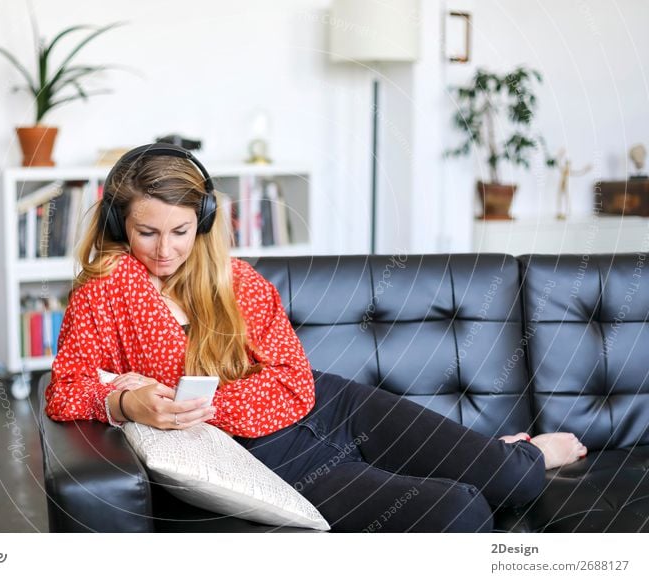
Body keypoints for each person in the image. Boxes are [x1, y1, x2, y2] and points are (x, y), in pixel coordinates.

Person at [44, 143, 587, 532]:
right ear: (119, 225)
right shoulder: (106, 291)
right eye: (147, 232)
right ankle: (479, 458)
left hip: (331, 406)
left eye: (180, 232)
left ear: (203, 223)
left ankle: (517, 453)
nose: (164, 250)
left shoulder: (240, 283)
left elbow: (295, 386)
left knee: (518, 482)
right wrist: (122, 400)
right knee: (461, 511)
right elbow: (64, 390)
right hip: (276, 461)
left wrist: (201, 402)